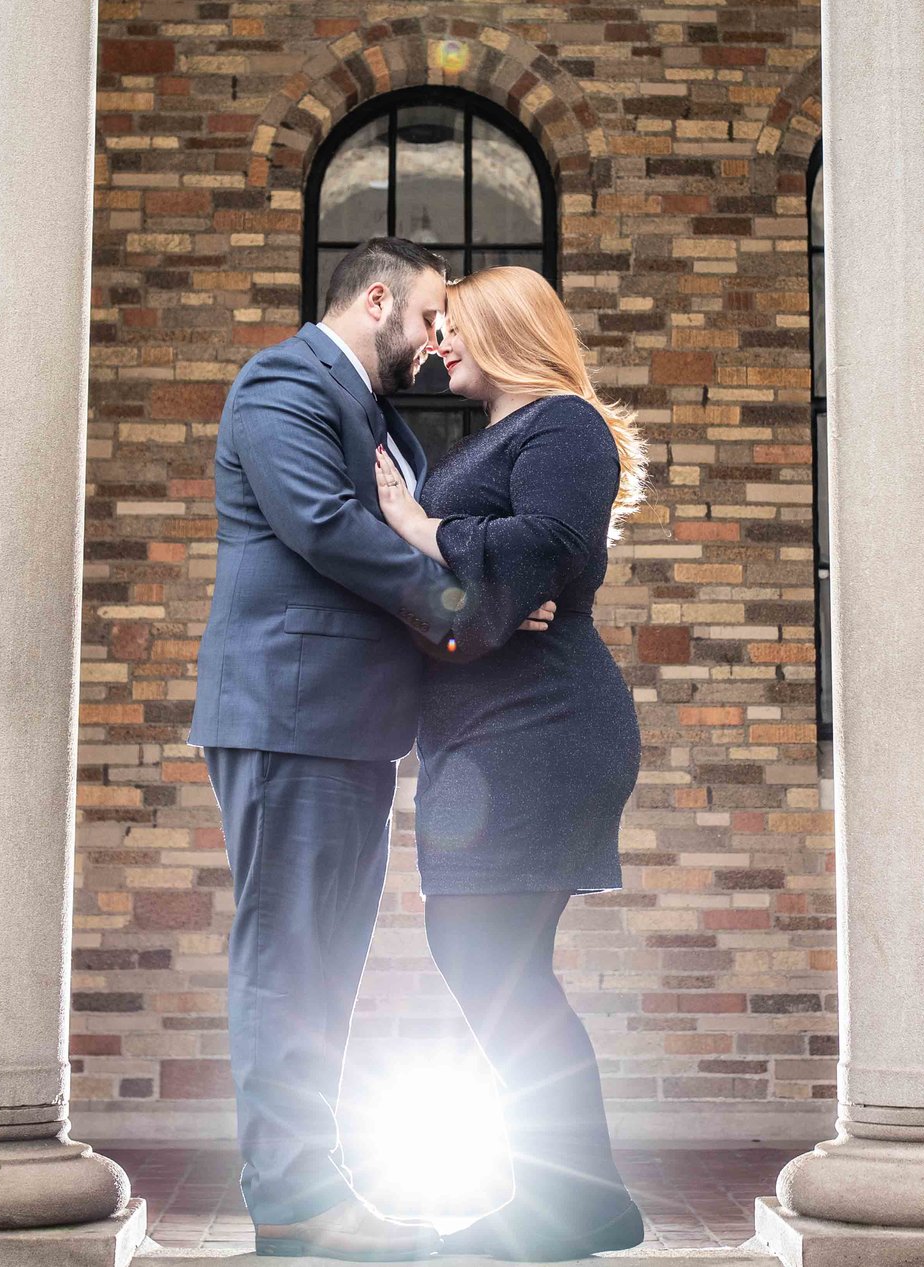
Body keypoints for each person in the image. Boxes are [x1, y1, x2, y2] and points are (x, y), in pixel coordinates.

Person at [191, 237, 552, 1261]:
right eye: (432, 315)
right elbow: (324, 524)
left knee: (325, 967)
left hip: (346, 724)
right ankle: (295, 1206)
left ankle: (319, 1188)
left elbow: (408, 520)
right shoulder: (281, 382)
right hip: (290, 714)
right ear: (379, 297)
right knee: (287, 962)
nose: (437, 338)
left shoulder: (379, 418)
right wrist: (464, 606)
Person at [370, 264, 649, 1262]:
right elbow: (489, 585)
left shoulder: (561, 423)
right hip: (489, 729)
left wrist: (415, 525)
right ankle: (578, 1198)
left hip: (541, 723)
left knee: (488, 956)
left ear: (499, 330)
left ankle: (571, 1201)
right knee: (496, 960)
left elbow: (543, 549)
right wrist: (471, 588)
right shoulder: (498, 437)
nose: (436, 342)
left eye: (450, 327)